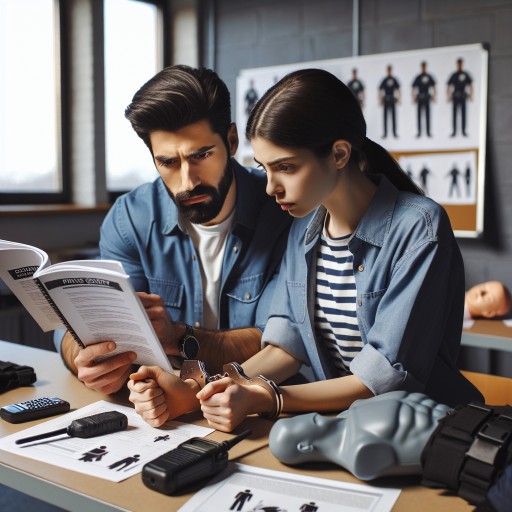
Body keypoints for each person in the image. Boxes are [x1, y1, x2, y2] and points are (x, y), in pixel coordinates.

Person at [128, 68, 482, 432]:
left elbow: (384, 377)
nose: (270, 188)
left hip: (425, 433)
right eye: (264, 169)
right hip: (346, 429)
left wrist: (270, 398)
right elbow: (286, 348)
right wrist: (196, 390)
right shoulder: (304, 229)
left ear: (339, 154)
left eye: (286, 168)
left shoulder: (419, 227)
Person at [55, 65, 292, 398]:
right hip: (164, 413)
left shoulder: (285, 212)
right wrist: (81, 357)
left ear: (233, 140)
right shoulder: (131, 218)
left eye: (202, 155)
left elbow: (281, 339)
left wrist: (177, 336)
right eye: (168, 162)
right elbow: (91, 325)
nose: (188, 181)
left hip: (260, 406)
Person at [268, 391, 452, 480]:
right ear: (304, 446)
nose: (299, 418)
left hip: (465, 413)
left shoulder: (353, 408)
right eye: (293, 424)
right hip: (464, 444)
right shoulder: (361, 454)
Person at [447, 57, 473, 137]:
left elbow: (470, 85)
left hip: (463, 96)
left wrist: (470, 95)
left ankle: (463, 131)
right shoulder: (454, 75)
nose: (459, 65)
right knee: (454, 115)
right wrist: (449, 95)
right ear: (457, 64)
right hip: (455, 96)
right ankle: (454, 132)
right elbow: (449, 86)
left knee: (463, 114)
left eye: (460, 64)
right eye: (458, 64)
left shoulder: (465, 74)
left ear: (462, 64)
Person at [411, 61, 436, 138]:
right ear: (421, 67)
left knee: (427, 115)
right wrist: (414, 97)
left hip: (427, 97)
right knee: (419, 116)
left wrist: (434, 96)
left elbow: (433, 86)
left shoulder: (429, 76)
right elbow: (413, 87)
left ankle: (428, 132)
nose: (423, 68)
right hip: (420, 98)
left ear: (426, 67)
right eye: (422, 66)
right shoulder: (418, 77)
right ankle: (419, 132)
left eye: (424, 66)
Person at [378, 64, 400, 138]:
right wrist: (380, 99)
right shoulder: (385, 80)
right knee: (385, 117)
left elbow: (398, 89)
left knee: (393, 116)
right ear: (387, 71)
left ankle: (394, 133)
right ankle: (385, 133)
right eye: (388, 70)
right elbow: (380, 89)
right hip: (386, 99)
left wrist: (399, 98)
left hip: (392, 99)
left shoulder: (394, 79)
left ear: (391, 70)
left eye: (390, 70)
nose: (389, 71)